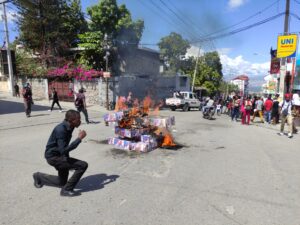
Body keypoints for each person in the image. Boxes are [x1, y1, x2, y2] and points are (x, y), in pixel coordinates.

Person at [32, 110, 88, 197]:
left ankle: (39, 176)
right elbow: (63, 150)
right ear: (71, 120)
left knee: (62, 182)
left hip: (60, 156)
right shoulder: (61, 129)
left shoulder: (70, 126)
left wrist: (68, 163)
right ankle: (66, 190)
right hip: (54, 158)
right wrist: (79, 139)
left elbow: (64, 146)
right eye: (78, 119)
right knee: (83, 165)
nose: (80, 121)